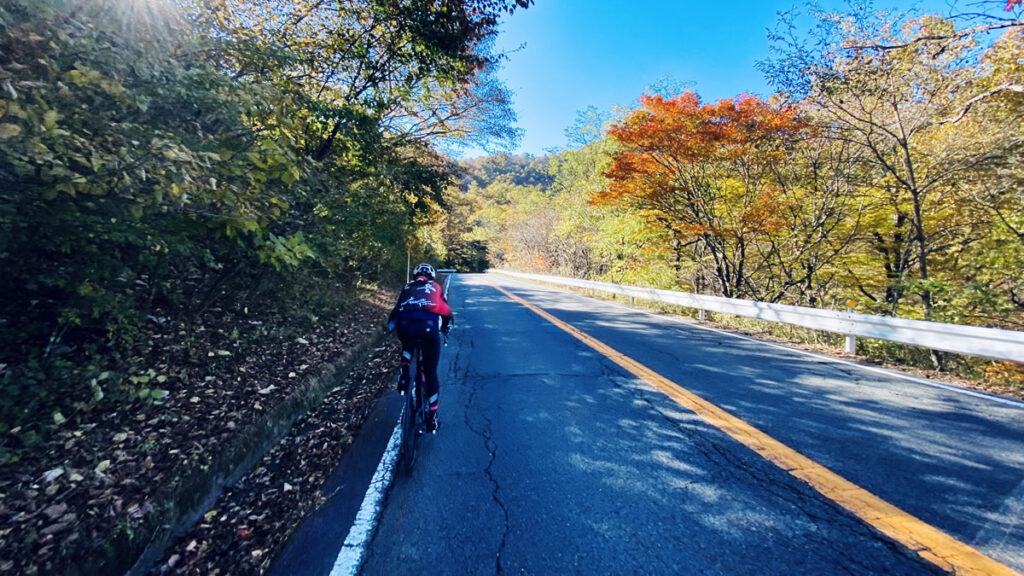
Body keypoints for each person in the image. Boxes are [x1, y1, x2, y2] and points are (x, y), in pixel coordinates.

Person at [387, 263, 453, 433]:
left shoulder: (407, 286)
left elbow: (397, 310)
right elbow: (446, 312)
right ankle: (432, 419)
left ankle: (404, 373)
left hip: (406, 327)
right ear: (430, 277)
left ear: (415, 275)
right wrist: (445, 328)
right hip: (429, 330)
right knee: (430, 372)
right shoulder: (436, 287)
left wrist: (392, 327)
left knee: (407, 342)